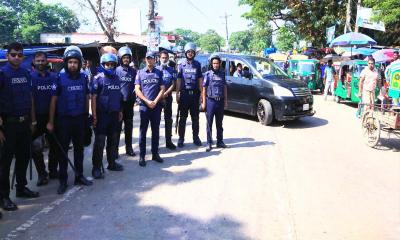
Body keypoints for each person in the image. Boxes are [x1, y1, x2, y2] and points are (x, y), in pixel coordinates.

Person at [47, 46, 93, 194]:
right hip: (63, 121)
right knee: (63, 151)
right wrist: (51, 121)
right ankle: (63, 180)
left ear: (80, 63)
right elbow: (53, 101)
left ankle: (79, 176)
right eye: (70, 62)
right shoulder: (59, 78)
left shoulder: (84, 77)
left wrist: (87, 116)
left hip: (79, 119)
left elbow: (87, 98)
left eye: (75, 62)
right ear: (66, 62)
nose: (72, 65)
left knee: (79, 150)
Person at [0, 42, 40, 213]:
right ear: (7, 56)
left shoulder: (26, 73)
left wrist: (32, 121)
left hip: (24, 123)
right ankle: (3, 197)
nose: (17, 57)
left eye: (19, 54)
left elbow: (30, 97)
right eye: (13, 54)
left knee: (24, 157)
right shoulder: (2, 74)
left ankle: (21, 188)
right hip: (8, 125)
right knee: (5, 163)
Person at [90, 53, 124, 179]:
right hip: (102, 115)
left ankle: (112, 163)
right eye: (107, 64)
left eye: (112, 64)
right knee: (99, 142)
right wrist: (94, 115)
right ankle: (96, 168)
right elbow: (93, 97)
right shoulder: (98, 78)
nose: (110, 66)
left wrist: (120, 110)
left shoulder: (117, 78)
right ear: (103, 65)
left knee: (113, 140)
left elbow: (118, 96)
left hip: (114, 114)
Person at [30, 51, 59, 186]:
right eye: (38, 61)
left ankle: (53, 170)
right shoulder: (30, 77)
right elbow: (30, 101)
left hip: (52, 117)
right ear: (34, 62)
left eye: (43, 60)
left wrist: (51, 121)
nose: (41, 63)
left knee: (55, 146)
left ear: (47, 61)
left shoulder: (54, 77)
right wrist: (33, 121)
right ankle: (42, 174)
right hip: (36, 118)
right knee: (36, 147)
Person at [135, 51, 165, 167]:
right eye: (147, 58)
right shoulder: (140, 73)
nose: (149, 60)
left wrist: (155, 101)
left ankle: (155, 153)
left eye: (151, 58)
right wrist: (147, 101)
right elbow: (137, 89)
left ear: (154, 59)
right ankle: (142, 156)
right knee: (143, 132)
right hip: (144, 107)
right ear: (145, 60)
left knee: (155, 131)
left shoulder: (159, 72)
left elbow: (162, 88)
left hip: (156, 107)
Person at [176, 42, 203, 148]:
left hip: (195, 95)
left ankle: (196, 138)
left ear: (194, 53)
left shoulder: (197, 64)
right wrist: (177, 93)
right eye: (188, 52)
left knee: (195, 118)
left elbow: (200, 79)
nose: (190, 53)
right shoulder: (181, 64)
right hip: (184, 95)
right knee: (182, 118)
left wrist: (201, 94)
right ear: (185, 52)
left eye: (192, 52)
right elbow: (178, 79)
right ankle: (181, 139)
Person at [201, 54, 228, 152]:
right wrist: (204, 102)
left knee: (219, 123)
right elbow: (204, 89)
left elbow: (225, 87)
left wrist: (225, 101)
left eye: (217, 63)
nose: (215, 65)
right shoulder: (207, 74)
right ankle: (209, 143)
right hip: (210, 101)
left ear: (220, 64)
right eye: (214, 63)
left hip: (220, 101)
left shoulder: (222, 73)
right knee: (209, 123)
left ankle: (220, 141)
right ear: (211, 64)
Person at [116, 46, 137, 156]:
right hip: (119, 104)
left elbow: (136, 86)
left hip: (129, 104)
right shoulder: (116, 71)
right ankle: (115, 150)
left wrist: (136, 99)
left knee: (129, 127)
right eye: (124, 57)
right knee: (117, 128)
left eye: (128, 58)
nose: (126, 59)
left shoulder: (133, 71)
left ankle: (129, 148)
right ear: (120, 58)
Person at [157, 50, 177, 150]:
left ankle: (168, 142)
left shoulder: (172, 70)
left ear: (168, 58)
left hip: (168, 98)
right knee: (156, 121)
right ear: (159, 58)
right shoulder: (156, 69)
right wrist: (161, 94)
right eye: (162, 58)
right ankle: (155, 143)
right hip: (157, 99)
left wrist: (166, 93)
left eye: (166, 58)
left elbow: (173, 84)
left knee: (168, 120)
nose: (164, 59)